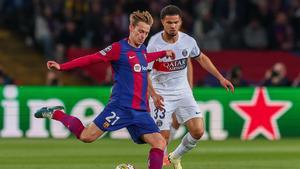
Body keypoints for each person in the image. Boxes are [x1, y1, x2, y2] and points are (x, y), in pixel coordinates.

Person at [34, 10, 176, 169]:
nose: (143, 36)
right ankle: (56, 113)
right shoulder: (117, 49)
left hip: (141, 110)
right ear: (131, 27)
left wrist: (163, 53)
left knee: (159, 142)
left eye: (146, 33)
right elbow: (91, 58)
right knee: (86, 136)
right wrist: (62, 66)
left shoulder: (142, 49)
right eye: (140, 31)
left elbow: (145, 58)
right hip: (120, 107)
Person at [147, 5, 234, 169]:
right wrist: (153, 94)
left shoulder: (188, 41)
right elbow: (145, 73)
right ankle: (154, 165)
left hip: (183, 92)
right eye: (169, 22)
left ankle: (175, 157)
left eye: (176, 22)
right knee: (161, 139)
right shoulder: (154, 44)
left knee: (198, 131)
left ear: (180, 22)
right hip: (161, 94)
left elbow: (201, 58)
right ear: (162, 23)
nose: (173, 26)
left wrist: (221, 78)